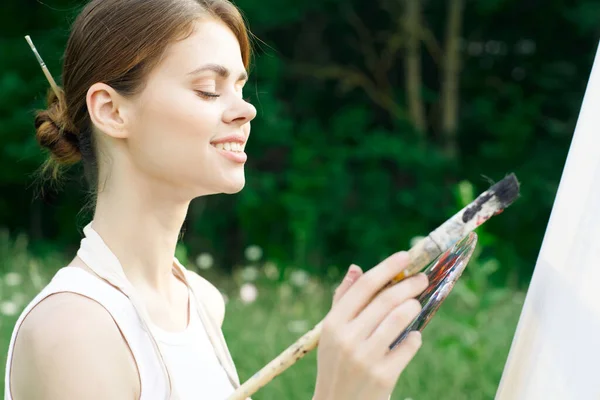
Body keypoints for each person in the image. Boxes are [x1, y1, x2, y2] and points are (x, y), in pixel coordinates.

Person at [5, 0, 428, 399]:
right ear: (112, 111)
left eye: (240, 88)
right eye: (209, 89)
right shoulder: (74, 330)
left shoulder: (202, 303)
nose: (246, 110)